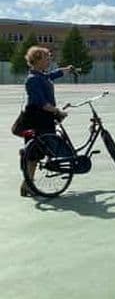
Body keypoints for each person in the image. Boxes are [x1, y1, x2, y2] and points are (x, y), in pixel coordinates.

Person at [20, 47, 74, 197]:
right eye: (46, 58)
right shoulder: (33, 80)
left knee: (36, 154)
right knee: (35, 154)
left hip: (43, 118)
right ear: (36, 60)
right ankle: (27, 184)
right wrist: (58, 112)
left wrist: (67, 70)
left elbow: (53, 75)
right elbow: (42, 103)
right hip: (38, 119)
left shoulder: (41, 76)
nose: (49, 60)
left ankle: (27, 185)